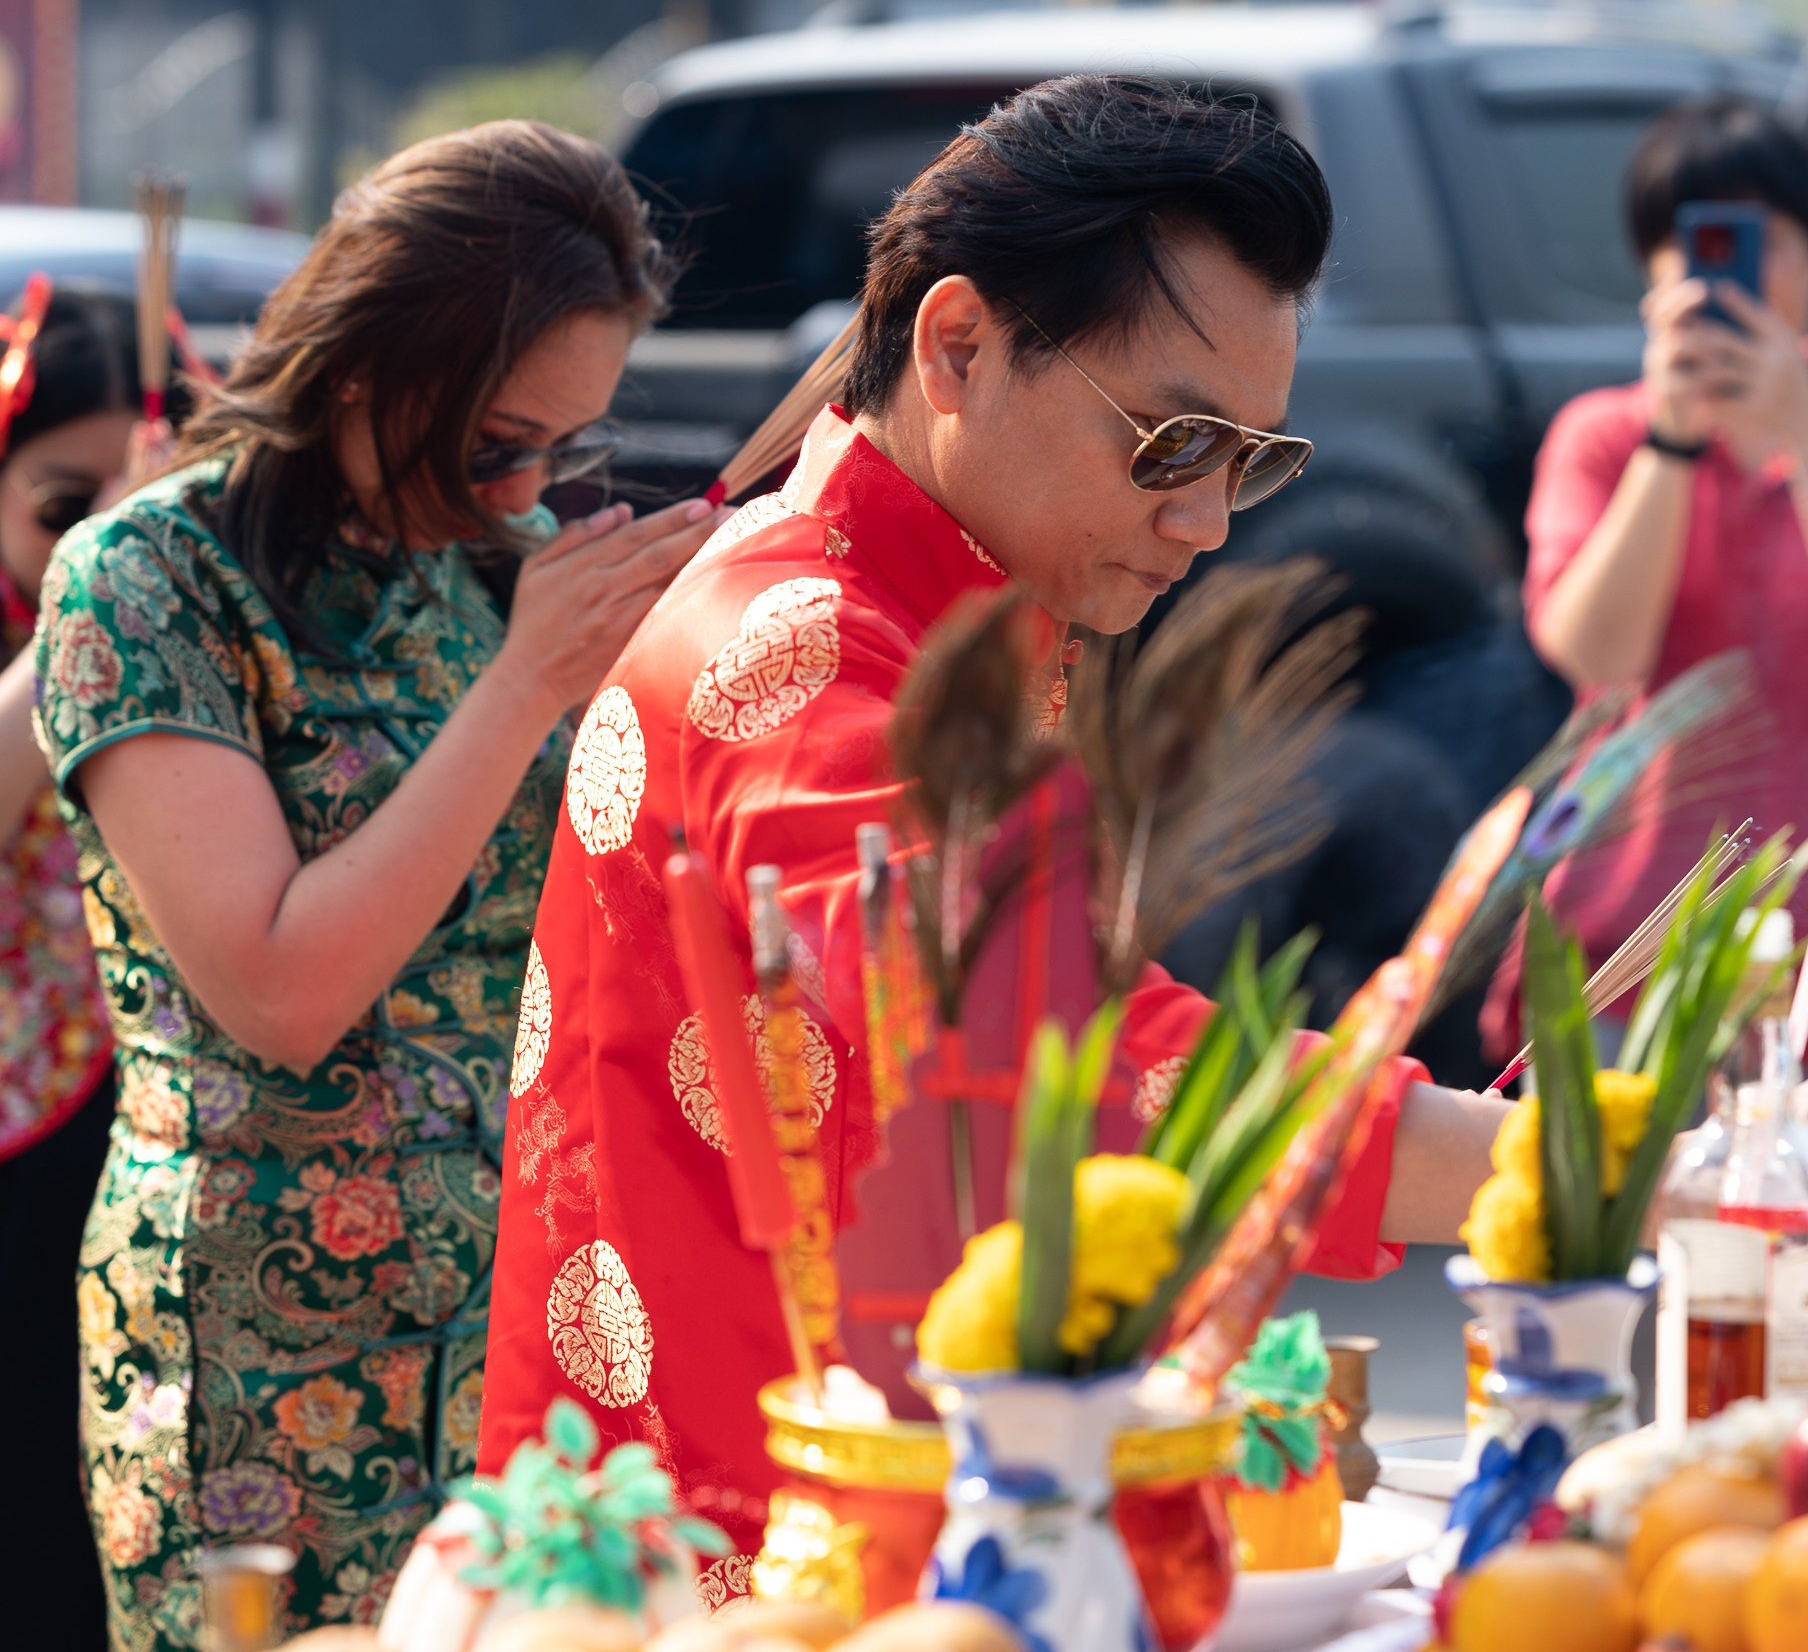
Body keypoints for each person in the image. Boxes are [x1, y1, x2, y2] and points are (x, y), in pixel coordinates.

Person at [479, 76, 1514, 1563]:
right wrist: (1551, 1166)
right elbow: (1046, 1050)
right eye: (1170, 443)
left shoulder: (967, 618)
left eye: (1252, 458)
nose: (1210, 519)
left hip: (874, 1506)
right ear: (958, 344)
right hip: (725, 1562)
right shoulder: (794, 644)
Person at [31, 125, 715, 1652]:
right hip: (254, 1347)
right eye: (495, 439)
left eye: (559, 445)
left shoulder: (499, 575)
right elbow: (278, 986)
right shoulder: (148, 577)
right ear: (368, 358)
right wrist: (524, 691)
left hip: (510, 1327)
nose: (525, 490)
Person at [1511, 93, 1808, 1081]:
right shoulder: (1605, 436)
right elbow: (1597, 659)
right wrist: (1674, 438)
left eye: (1763, 242)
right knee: (1612, 1239)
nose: (1736, 273)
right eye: (1699, 244)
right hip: (1628, 951)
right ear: (1651, 273)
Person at [0, 279, 149, 1652]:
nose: (98, 526)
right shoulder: (112, 600)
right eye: (61, 503)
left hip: (132, 1131)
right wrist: (113, 580)